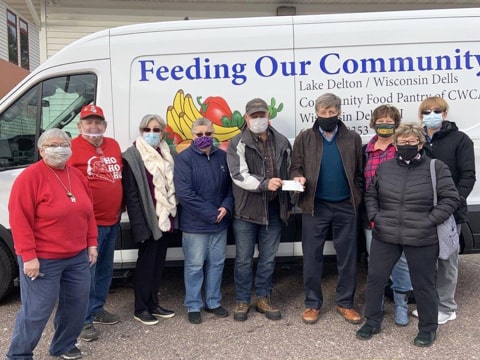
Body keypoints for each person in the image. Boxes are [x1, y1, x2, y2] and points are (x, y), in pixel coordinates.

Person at [356, 123, 460, 347]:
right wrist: (376, 217)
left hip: (421, 236)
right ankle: (372, 321)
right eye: (402, 142)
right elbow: (371, 194)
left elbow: (451, 199)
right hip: (386, 234)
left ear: (420, 144)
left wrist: (429, 221)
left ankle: (428, 328)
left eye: (412, 141)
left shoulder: (436, 167)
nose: (406, 145)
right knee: (375, 279)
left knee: (423, 284)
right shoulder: (385, 168)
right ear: (395, 144)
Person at [6, 128, 98, 360]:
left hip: (77, 257)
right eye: (53, 145)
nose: (60, 149)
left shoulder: (77, 176)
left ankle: (64, 345)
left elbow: (88, 213)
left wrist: (92, 243)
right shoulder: (30, 177)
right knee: (36, 311)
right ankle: (19, 354)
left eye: (64, 144)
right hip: (43, 258)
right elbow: (19, 219)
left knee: (76, 305)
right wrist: (28, 257)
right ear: (41, 150)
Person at [290, 92, 363, 325]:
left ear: (339, 113)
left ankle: (345, 303)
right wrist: (298, 177)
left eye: (332, 112)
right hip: (315, 206)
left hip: (345, 206)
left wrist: (357, 197)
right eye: (323, 112)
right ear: (317, 113)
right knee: (312, 257)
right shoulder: (305, 138)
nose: (328, 116)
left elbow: (359, 174)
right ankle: (312, 304)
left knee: (348, 257)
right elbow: (295, 167)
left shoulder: (352, 138)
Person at [410, 96, 475, 324]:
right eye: (427, 112)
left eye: (437, 111)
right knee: (426, 261)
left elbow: (468, 177)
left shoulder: (460, 140)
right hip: (422, 212)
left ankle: (447, 307)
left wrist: (451, 203)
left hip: (450, 213)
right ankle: (430, 304)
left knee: (447, 261)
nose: (432, 115)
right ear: (421, 116)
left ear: (445, 114)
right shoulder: (417, 140)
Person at [227, 97, 292, 321]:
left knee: (268, 259)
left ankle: (263, 298)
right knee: (244, 259)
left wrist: (291, 197)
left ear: (268, 117)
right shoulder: (238, 142)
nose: (258, 119)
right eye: (253, 116)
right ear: (246, 118)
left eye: (261, 115)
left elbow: (290, 171)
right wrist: (265, 183)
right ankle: (243, 300)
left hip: (274, 210)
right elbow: (238, 175)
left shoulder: (282, 141)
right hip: (246, 211)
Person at [68, 104, 124, 342]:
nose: (94, 126)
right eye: (88, 122)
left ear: (105, 125)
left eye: (98, 122)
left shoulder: (113, 144)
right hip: (88, 224)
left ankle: (98, 309)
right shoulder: (71, 148)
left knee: (104, 270)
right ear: (79, 126)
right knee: (86, 274)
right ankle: (83, 321)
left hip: (112, 220)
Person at [174, 118, 233, 324]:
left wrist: (226, 206)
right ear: (192, 135)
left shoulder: (222, 157)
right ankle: (193, 304)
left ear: (213, 133)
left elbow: (230, 187)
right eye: (199, 134)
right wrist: (211, 213)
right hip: (195, 224)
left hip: (220, 221)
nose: (204, 138)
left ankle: (214, 302)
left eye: (208, 133)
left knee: (217, 264)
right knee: (194, 266)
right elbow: (184, 194)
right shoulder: (184, 159)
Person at [122, 114, 177, 325]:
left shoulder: (167, 153)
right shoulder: (133, 156)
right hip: (147, 220)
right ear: (141, 131)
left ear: (163, 132)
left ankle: (154, 303)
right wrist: (140, 227)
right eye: (148, 129)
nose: (152, 133)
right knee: (145, 266)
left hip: (165, 219)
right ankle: (141, 308)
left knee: (158, 264)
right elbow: (132, 196)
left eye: (157, 130)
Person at [362, 104, 412, 326]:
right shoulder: (365, 150)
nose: (384, 125)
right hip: (372, 215)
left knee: (401, 261)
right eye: (380, 121)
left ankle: (401, 304)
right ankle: (378, 304)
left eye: (389, 121)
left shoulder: (402, 148)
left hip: (398, 214)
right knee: (375, 261)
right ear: (374, 123)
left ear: (396, 124)